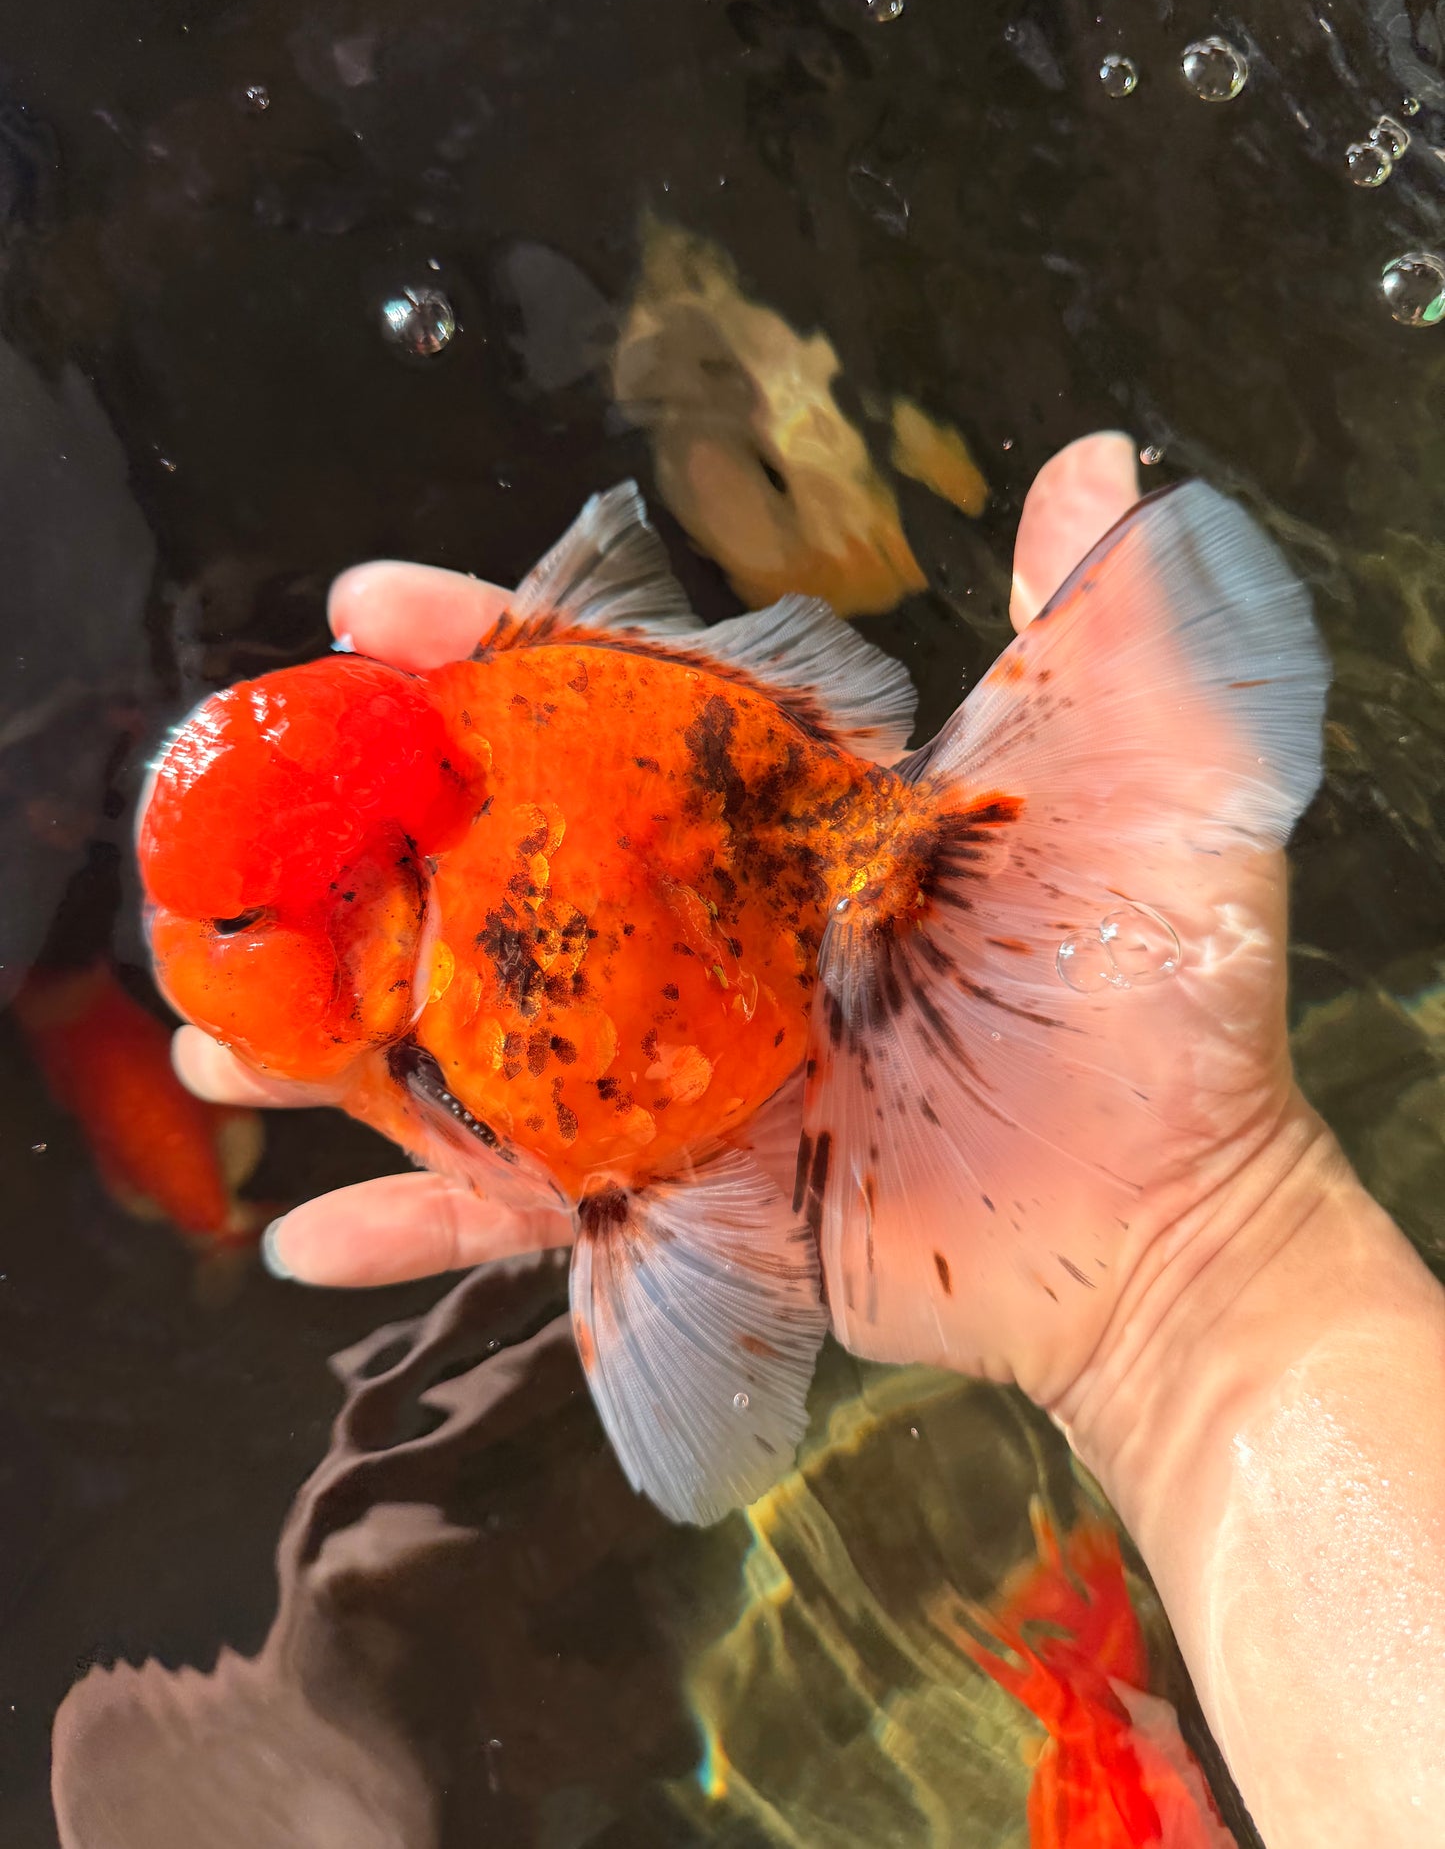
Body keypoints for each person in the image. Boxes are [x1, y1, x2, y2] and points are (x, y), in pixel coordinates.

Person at [174, 435, 1445, 1848]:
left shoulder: (432, 1019)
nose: (189, 953)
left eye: (231, 928)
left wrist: (1194, 1268)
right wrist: (1199, 1290)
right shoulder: (419, 946)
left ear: (355, 915)